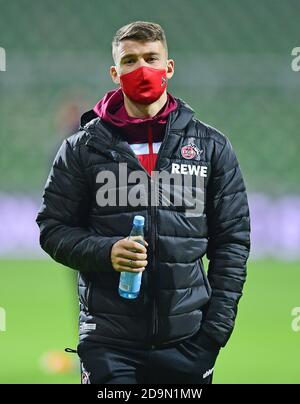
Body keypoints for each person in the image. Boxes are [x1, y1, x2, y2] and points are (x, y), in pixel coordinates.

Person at [36, 21, 251, 384]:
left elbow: (232, 241)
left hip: (188, 343)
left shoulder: (211, 147)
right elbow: (53, 228)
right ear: (115, 72)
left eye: (151, 58)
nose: (142, 69)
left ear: (169, 67)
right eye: (130, 61)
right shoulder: (82, 147)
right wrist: (106, 251)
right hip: (108, 343)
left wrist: (215, 331)